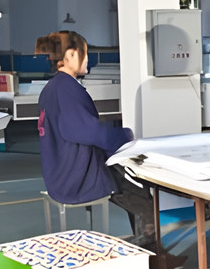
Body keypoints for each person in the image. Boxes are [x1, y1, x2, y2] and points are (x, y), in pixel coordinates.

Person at [36, 31, 155, 246]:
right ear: (71, 55)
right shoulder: (67, 89)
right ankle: (151, 255)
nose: (87, 59)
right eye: (85, 54)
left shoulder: (52, 88)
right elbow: (84, 131)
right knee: (142, 198)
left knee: (133, 187)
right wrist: (126, 136)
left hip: (60, 172)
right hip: (78, 177)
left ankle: (148, 248)